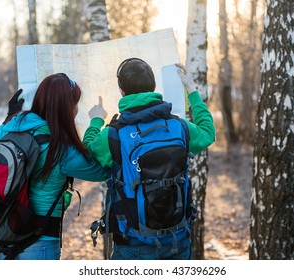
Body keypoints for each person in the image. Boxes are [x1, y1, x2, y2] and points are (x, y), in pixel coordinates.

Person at [84, 58, 215, 259]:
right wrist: (191, 90)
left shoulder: (113, 135)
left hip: (132, 244)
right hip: (177, 239)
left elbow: (89, 150)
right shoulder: (180, 127)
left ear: (122, 91)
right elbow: (208, 132)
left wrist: (96, 120)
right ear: (153, 87)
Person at [0, 73, 108, 260]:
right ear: (68, 108)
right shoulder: (59, 149)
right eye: (75, 103)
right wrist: (96, 122)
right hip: (39, 246)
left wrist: (9, 118)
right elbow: (101, 171)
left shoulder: (15, 124)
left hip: (2, 243)